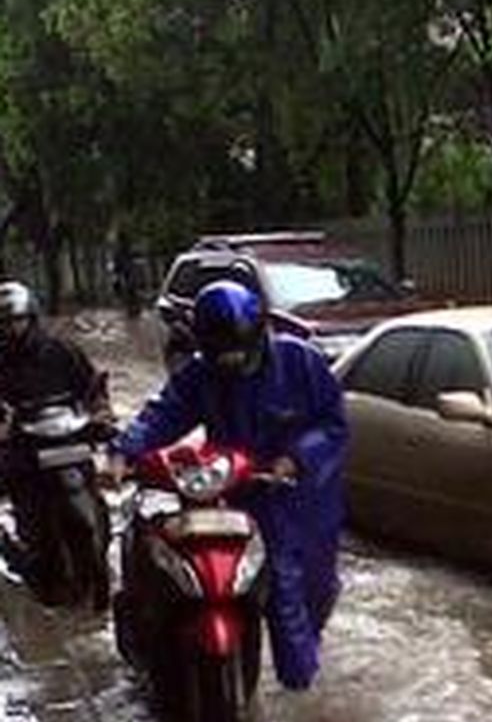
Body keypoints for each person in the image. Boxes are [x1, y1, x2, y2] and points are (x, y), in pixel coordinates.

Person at [105, 280, 347, 691]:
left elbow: (332, 423)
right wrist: (123, 452)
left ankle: (301, 681)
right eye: (223, 356)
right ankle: (285, 677)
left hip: (303, 499)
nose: (233, 364)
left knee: (308, 590)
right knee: (260, 587)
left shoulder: (300, 362)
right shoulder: (200, 374)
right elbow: (163, 413)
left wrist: (297, 457)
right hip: (238, 494)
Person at [0, 281, 112, 597]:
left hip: (69, 446)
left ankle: (101, 547)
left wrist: (101, 416)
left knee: (96, 500)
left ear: (32, 317)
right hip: (23, 451)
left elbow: (94, 392)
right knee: (27, 510)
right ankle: (28, 558)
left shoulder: (62, 351)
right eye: (5, 323)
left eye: (17, 320)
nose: (12, 328)